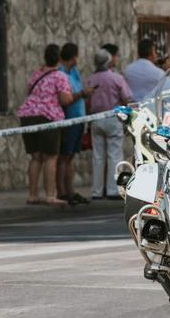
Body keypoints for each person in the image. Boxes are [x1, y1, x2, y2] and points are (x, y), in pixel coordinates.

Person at [18, 44, 92, 206]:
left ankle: (32, 195)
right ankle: (50, 195)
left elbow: (28, 90)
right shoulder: (60, 76)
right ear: (59, 58)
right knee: (50, 157)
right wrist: (80, 94)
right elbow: (65, 100)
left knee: (36, 157)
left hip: (27, 116)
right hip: (48, 118)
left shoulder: (37, 73)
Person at [85, 48, 133, 199]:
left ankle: (96, 191)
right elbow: (127, 98)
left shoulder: (90, 79)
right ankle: (113, 190)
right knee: (114, 154)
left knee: (98, 156)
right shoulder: (117, 78)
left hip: (95, 119)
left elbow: (87, 101)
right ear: (108, 61)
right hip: (113, 118)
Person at [56, 42, 91, 205]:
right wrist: (83, 94)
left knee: (70, 156)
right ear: (73, 56)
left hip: (79, 117)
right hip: (68, 118)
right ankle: (61, 191)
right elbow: (67, 97)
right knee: (63, 156)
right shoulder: (60, 73)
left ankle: (69, 190)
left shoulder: (74, 72)